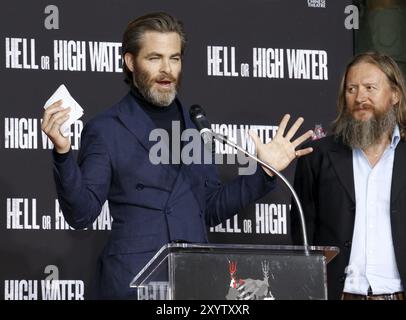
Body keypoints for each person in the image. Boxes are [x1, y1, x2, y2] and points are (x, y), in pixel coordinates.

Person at [42, 12, 313, 299]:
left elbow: (208, 208)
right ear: (130, 62)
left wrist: (265, 171)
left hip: (195, 280)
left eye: (174, 58)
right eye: (154, 58)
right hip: (133, 283)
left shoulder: (195, 125)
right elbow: (82, 213)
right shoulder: (107, 128)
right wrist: (63, 152)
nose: (166, 69)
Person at [291, 52, 406, 300]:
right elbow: (302, 241)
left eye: (369, 88)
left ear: (395, 95)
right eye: (351, 89)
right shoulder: (317, 156)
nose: (359, 98)